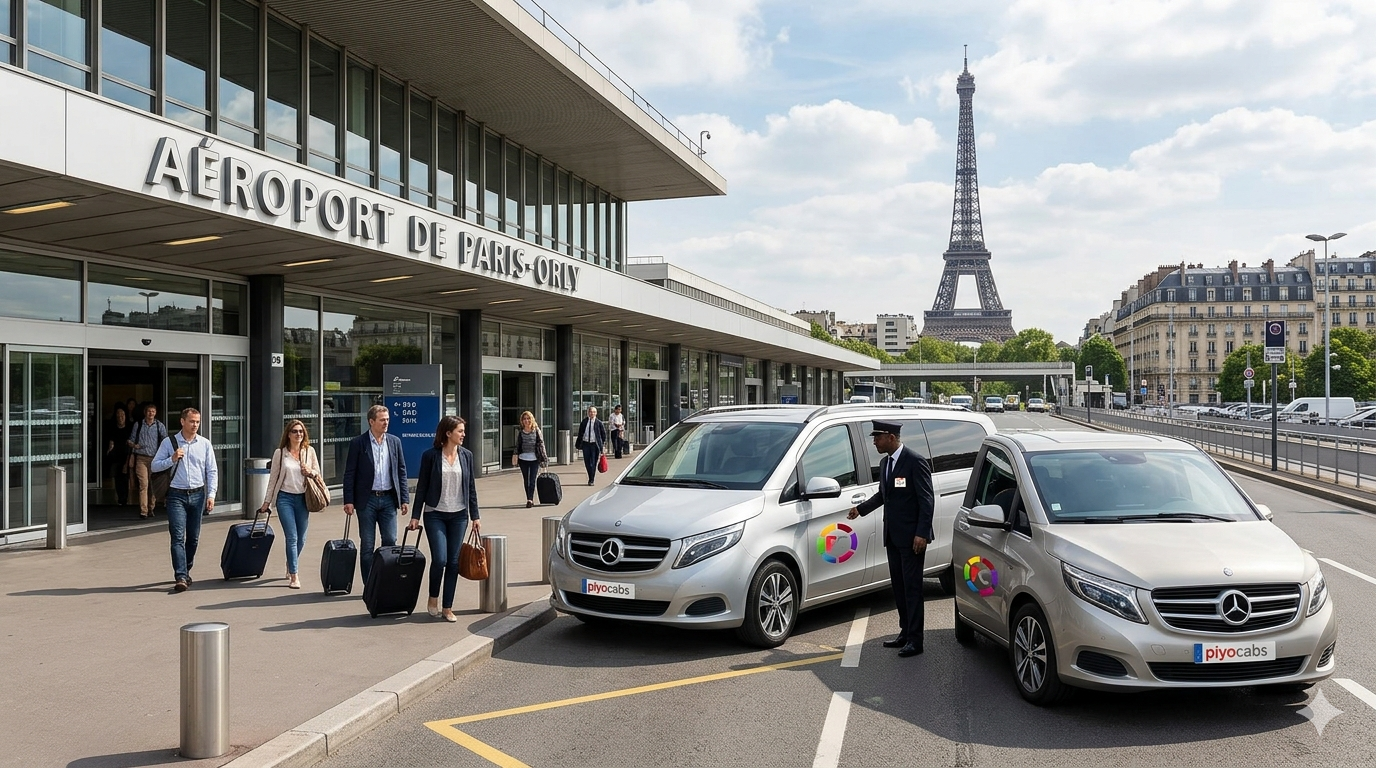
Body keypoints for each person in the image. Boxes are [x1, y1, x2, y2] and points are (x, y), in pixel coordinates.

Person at [848, 420, 935, 657]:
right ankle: (905, 633)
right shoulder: (886, 463)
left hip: (912, 538)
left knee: (913, 588)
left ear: (891, 437)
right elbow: (883, 495)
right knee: (899, 587)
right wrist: (861, 509)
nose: (874, 441)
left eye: (877, 437)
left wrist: (922, 533)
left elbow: (927, 500)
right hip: (893, 537)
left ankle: (916, 640)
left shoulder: (914, 461)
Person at [408, 416, 481, 622]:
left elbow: (471, 489)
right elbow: (421, 487)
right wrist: (415, 516)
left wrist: (475, 516)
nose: (463, 434)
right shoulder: (430, 456)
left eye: (463, 431)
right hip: (435, 513)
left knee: (453, 562)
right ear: (448, 433)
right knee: (439, 560)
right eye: (460, 431)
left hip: (459, 515)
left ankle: (447, 607)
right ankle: (433, 597)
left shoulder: (466, 456)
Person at [153, 408, 218, 592]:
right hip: (176, 495)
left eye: (197, 422)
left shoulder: (204, 444)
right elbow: (154, 465)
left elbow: (211, 471)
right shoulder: (169, 442)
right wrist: (171, 459)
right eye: (191, 421)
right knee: (177, 536)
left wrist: (211, 495)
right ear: (182, 422)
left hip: (198, 494)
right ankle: (180, 575)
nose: (195, 425)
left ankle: (186, 569)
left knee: (194, 538)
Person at [343, 404, 409, 584]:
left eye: (387, 419)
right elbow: (350, 473)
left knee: (390, 540)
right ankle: (369, 584)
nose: (386, 423)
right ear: (371, 422)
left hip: (388, 498)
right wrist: (348, 500)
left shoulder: (394, 442)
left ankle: (386, 581)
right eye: (382, 420)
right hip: (367, 500)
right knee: (368, 545)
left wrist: (404, 498)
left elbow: (401, 470)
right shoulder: (358, 443)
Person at [260, 419, 322, 589]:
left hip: (303, 498)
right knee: (292, 537)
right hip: (285, 498)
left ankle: (290, 561)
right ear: (288, 434)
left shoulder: (309, 451)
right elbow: (273, 479)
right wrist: (267, 502)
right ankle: (294, 575)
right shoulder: (280, 453)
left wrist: (311, 472)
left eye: (301, 431)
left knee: (301, 538)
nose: (298, 434)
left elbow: (318, 473)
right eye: (295, 431)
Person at [127, 402, 168, 519]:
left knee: (152, 485)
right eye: (149, 411)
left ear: (155, 413)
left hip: (155, 458)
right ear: (145, 413)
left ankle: (151, 508)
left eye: (153, 411)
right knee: (143, 484)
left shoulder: (160, 426)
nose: (151, 413)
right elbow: (131, 440)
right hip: (141, 458)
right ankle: (143, 511)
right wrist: (134, 446)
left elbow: (165, 441)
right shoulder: (138, 425)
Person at [512, 410, 547, 508]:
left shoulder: (536, 431)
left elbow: (541, 445)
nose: (526, 421)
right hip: (523, 459)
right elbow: (517, 445)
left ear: (531, 420)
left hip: (534, 459)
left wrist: (544, 459)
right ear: (522, 421)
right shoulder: (520, 432)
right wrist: (515, 456)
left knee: (532, 480)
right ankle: (528, 497)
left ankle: (530, 499)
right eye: (524, 419)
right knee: (526, 480)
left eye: (528, 419)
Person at [105, 405, 132, 506]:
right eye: (118, 415)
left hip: (127, 455)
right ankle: (121, 499)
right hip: (116, 456)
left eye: (122, 415)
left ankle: (127, 498)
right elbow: (111, 441)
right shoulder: (113, 428)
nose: (120, 417)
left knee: (126, 477)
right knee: (118, 478)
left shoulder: (130, 428)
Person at [574, 406, 607, 486]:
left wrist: (602, 445)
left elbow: (603, 435)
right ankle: (590, 475)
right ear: (588, 413)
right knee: (587, 462)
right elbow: (580, 433)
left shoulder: (599, 423)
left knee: (593, 462)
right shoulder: (584, 422)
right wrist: (578, 444)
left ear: (596, 413)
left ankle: (591, 479)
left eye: (593, 412)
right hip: (586, 444)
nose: (592, 413)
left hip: (595, 444)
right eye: (590, 412)